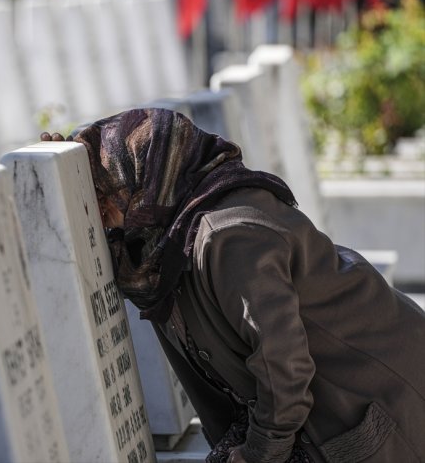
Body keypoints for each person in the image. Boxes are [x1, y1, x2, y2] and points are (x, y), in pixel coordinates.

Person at [42, 108, 425, 463]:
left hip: (374, 404)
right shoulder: (167, 239)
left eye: (109, 193)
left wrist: (260, 453)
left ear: (149, 178)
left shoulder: (229, 236)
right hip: (336, 404)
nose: (103, 211)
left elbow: (284, 365)